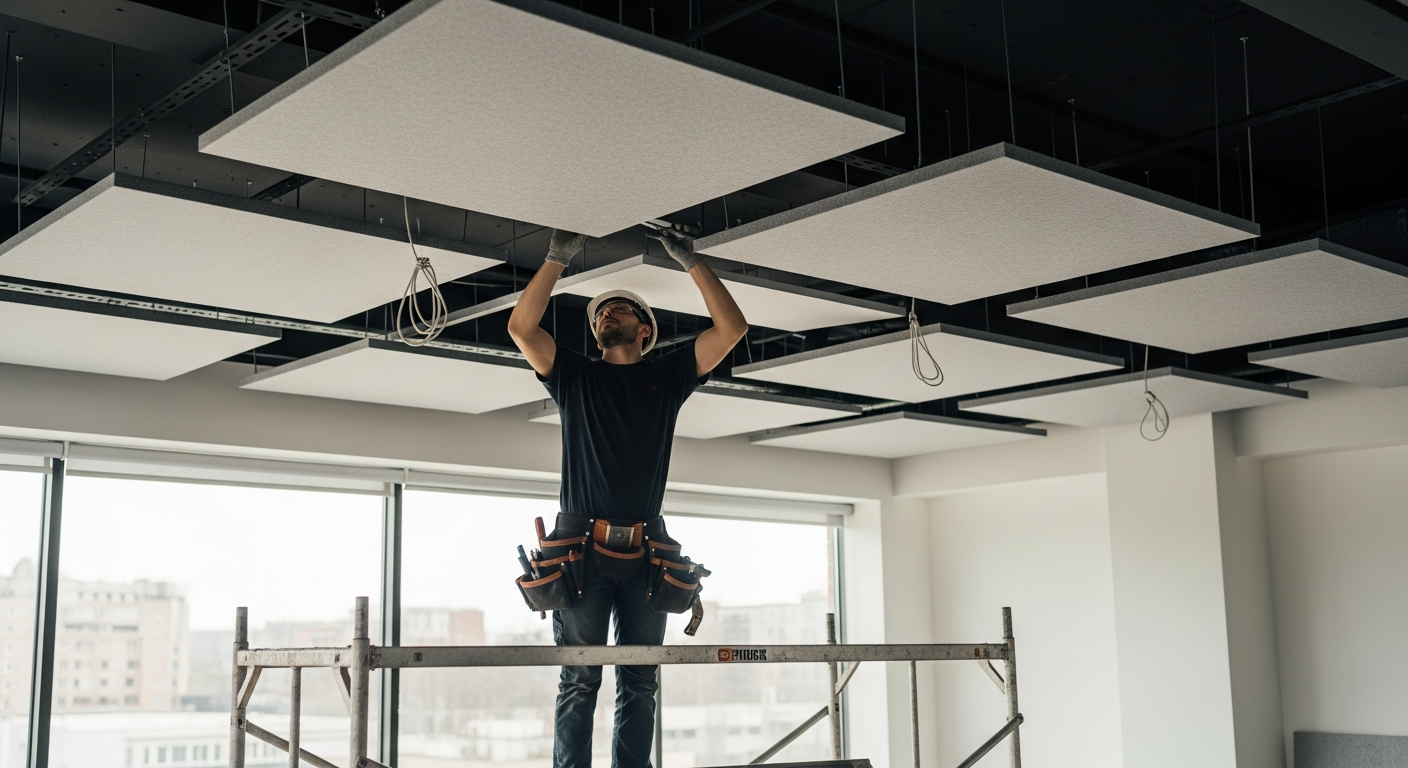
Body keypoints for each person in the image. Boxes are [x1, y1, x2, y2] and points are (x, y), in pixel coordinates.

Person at [507, 227, 748, 768]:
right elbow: (521, 326)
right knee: (580, 677)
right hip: (582, 552)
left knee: (640, 680)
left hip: (647, 555)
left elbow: (732, 328)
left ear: (645, 331)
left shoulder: (668, 377)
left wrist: (692, 261)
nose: (604, 316)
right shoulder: (574, 376)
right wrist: (555, 259)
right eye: (598, 316)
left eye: (617, 310)